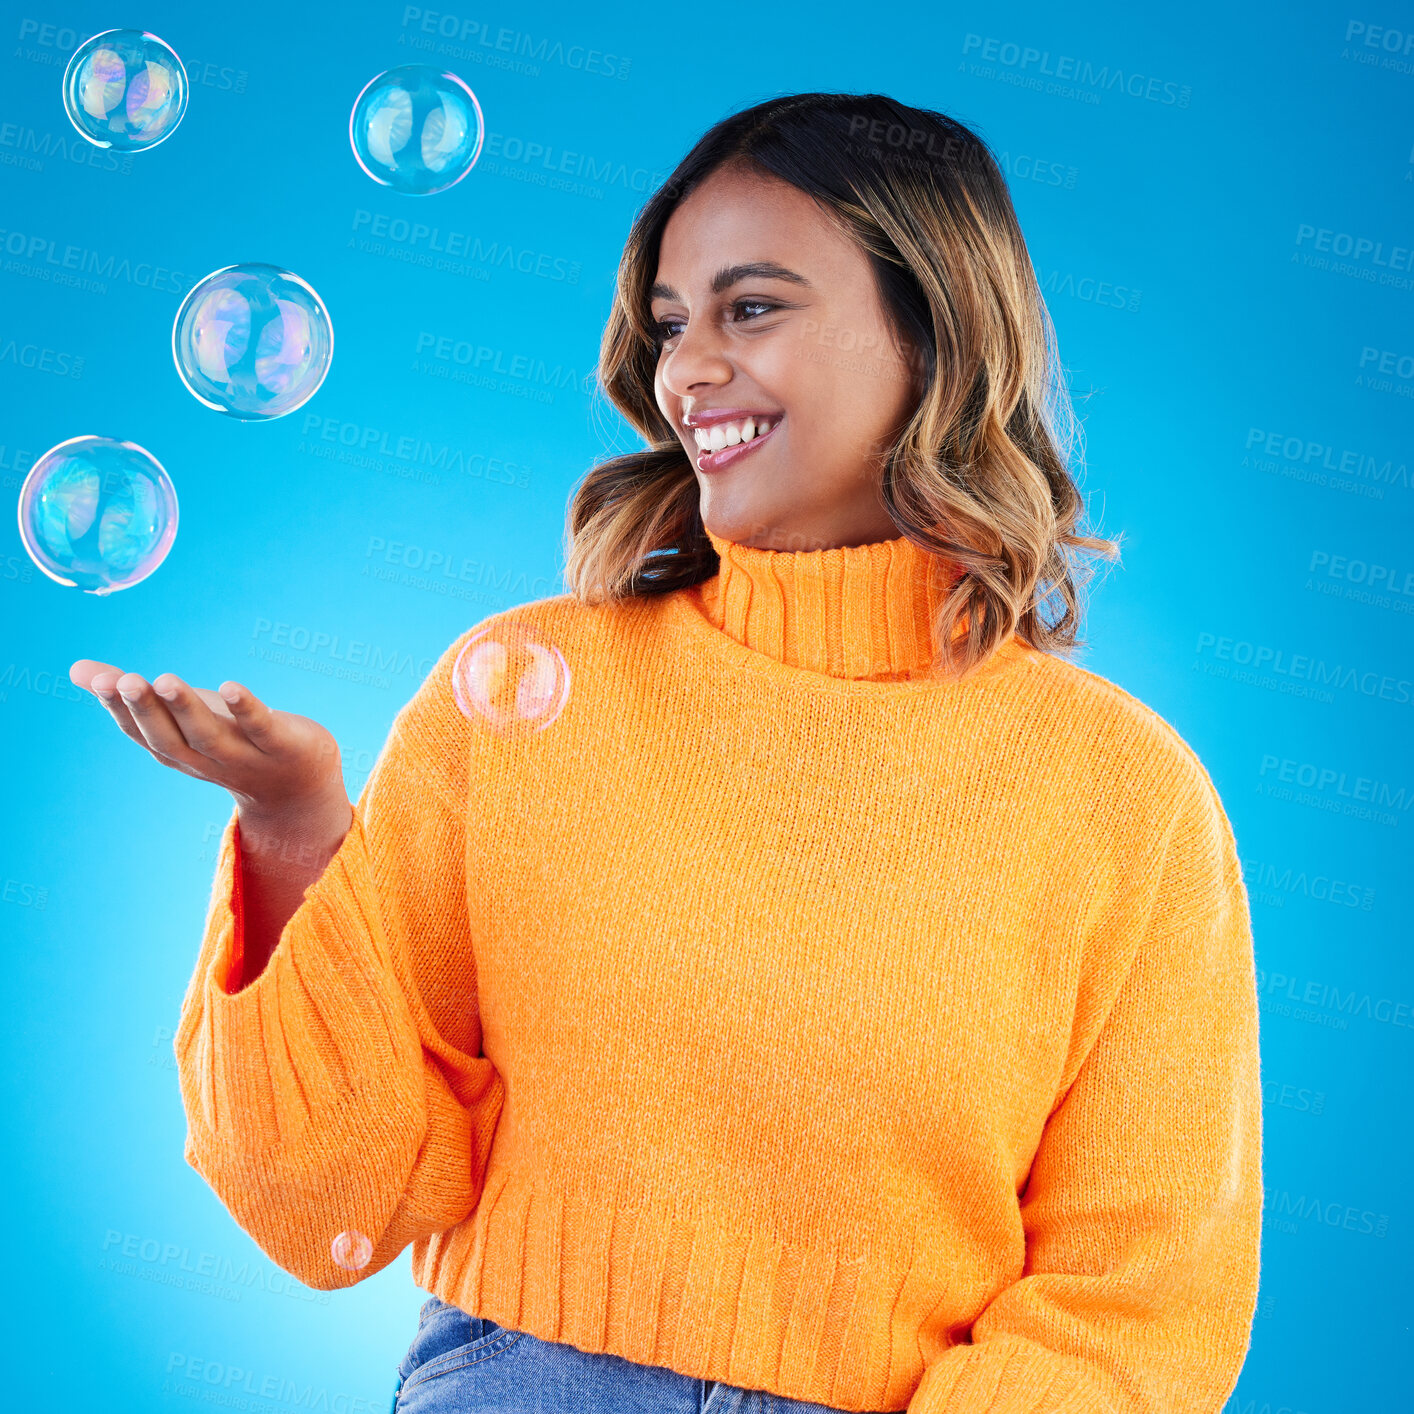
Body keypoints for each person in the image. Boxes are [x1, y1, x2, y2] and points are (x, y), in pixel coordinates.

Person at [70, 92, 1264, 1414]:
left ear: (930, 333)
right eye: (670, 324)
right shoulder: (524, 694)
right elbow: (331, 1200)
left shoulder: (1123, 796)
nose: (688, 369)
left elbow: (1136, 1294)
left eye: (750, 308)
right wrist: (296, 831)